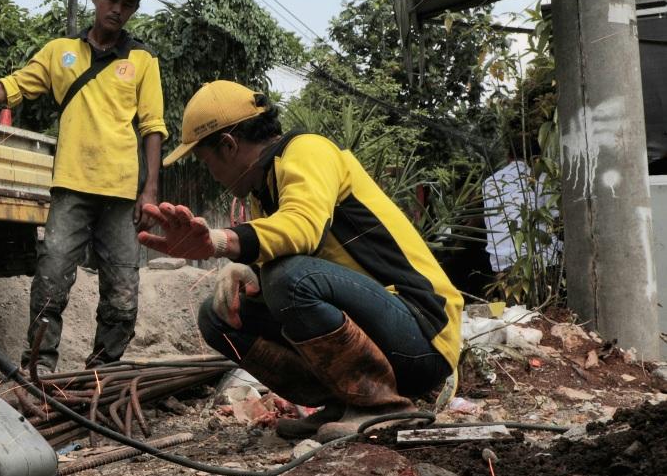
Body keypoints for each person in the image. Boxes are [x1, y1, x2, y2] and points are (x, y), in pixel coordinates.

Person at [138, 81, 462, 442]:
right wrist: (247, 273)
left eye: (206, 160)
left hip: (422, 336)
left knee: (287, 278)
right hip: (385, 338)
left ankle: (380, 406)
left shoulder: (308, 151)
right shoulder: (265, 190)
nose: (210, 173)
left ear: (228, 146)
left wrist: (221, 241)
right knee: (217, 318)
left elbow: (302, 228)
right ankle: (343, 402)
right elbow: (299, 254)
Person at [0, 0, 168, 371]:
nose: (117, 9)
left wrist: (150, 189)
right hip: (72, 187)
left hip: (122, 192)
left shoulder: (142, 60)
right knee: (51, 279)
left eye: (127, 4)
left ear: (134, 10)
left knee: (122, 288)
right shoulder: (58, 53)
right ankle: (40, 365)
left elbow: (153, 126)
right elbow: (10, 88)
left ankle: (104, 369)